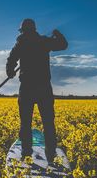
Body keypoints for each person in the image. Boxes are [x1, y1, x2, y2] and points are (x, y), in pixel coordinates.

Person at [6, 18, 68, 163]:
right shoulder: (44, 41)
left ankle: (26, 154)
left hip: (27, 87)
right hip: (43, 87)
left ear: (23, 30)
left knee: (25, 123)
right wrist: (57, 34)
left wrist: (10, 71)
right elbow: (63, 45)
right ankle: (51, 155)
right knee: (48, 122)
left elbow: (11, 59)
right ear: (34, 29)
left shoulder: (20, 43)